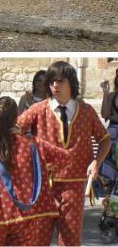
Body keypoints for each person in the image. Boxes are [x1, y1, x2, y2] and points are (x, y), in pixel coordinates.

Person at [17, 61, 110, 246]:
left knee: (70, 240)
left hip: (74, 186)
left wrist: (96, 162)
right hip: (43, 186)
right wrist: (27, 157)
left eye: (60, 81)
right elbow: (13, 131)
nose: (55, 86)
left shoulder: (86, 111)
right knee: (38, 239)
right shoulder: (38, 110)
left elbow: (105, 139)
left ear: (71, 83)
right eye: (52, 82)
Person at [0, 96, 75, 246]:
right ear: (16, 118)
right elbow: (66, 158)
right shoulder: (34, 144)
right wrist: (46, 167)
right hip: (35, 216)